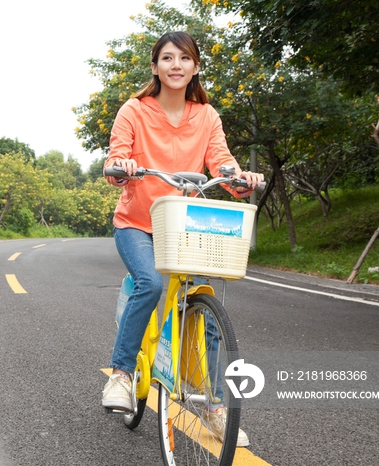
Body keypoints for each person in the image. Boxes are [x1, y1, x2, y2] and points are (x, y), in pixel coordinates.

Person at [101, 31, 264, 447]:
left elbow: (222, 162)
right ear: (155, 67)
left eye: (185, 58)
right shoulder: (134, 110)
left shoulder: (206, 116)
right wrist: (121, 166)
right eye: (167, 58)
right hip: (137, 222)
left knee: (203, 298)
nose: (176, 65)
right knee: (151, 283)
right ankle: (121, 374)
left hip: (185, 224)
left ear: (195, 67)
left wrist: (240, 179)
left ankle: (212, 405)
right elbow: (116, 157)